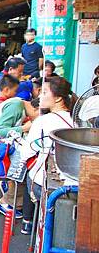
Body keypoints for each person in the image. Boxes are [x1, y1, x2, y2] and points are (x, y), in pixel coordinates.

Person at [17, 77, 75, 234]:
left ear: (57, 98)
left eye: (44, 92)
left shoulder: (43, 121)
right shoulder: (75, 121)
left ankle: (27, 222)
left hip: (44, 185)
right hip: (71, 185)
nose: (40, 96)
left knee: (29, 173)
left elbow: (26, 153)